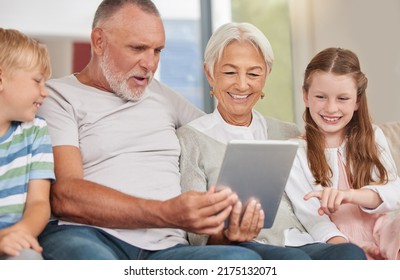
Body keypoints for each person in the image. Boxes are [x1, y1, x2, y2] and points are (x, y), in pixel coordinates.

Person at [36, 0, 267, 260]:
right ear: (99, 41)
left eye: (157, 51)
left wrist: (307, 141)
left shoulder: (162, 95)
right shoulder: (59, 96)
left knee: (240, 261)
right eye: (138, 48)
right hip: (87, 233)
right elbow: (66, 196)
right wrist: (167, 212)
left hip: (167, 248)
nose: (150, 64)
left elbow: (217, 135)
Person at [177, 22, 366, 260]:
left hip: (301, 240)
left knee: (349, 253)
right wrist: (226, 233)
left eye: (254, 73)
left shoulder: (288, 132)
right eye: (229, 72)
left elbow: (313, 200)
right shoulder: (190, 139)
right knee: (295, 262)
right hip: (245, 246)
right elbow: (196, 234)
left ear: (266, 76)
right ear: (209, 73)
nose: (242, 84)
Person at [285, 47, 400, 260]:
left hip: (385, 234)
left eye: (342, 98)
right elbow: (313, 219)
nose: (331, 108)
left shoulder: (373, 136)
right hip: (338, 243)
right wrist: (350, 252)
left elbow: (394, 192)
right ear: (306, 96)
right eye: (321, 96)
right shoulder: (296, 152)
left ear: (357, 101)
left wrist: (350, 195)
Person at [0, 28, 54, 260]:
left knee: (28, 260)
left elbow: (39, 202)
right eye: (37, 81)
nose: (45, 92)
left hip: (16, 242)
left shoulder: (35, 131)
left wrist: (18, 233)